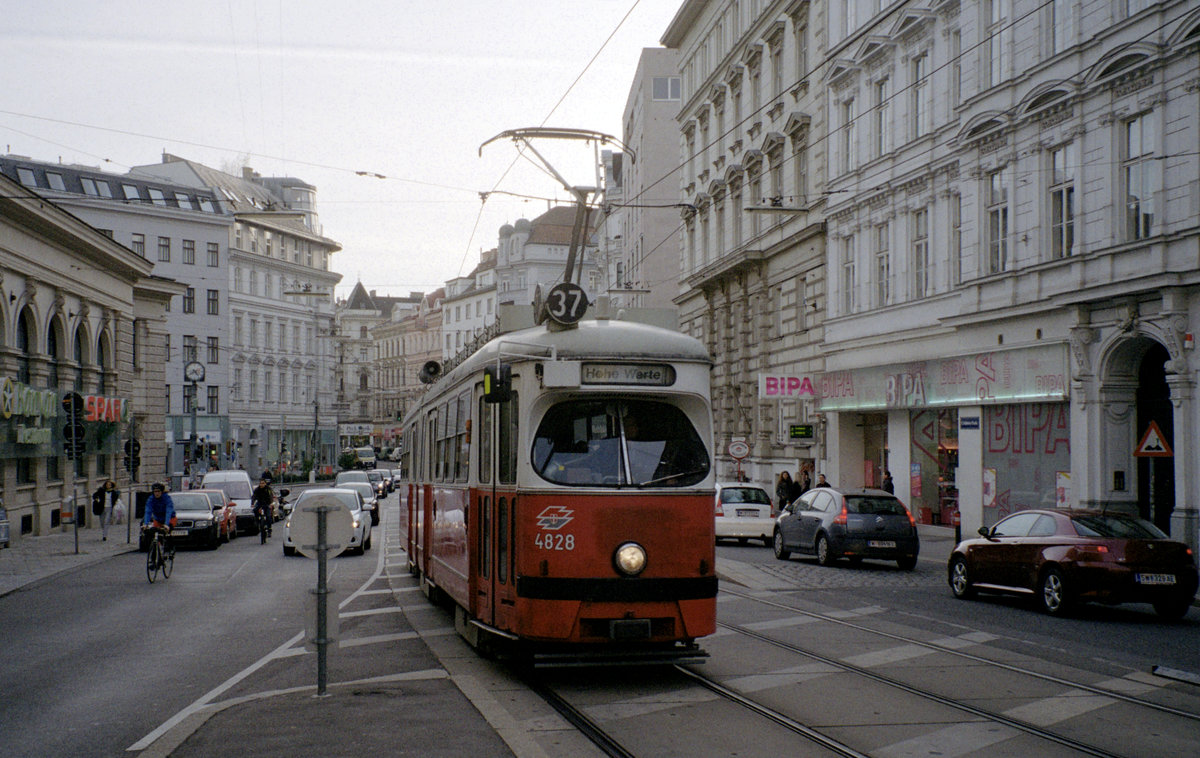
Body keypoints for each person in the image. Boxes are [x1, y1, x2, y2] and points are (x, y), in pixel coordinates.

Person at [141, 482, 177, 550]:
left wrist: (166, 524)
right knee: (154, 534)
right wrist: (145, 524)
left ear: (162, 492)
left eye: (158, 491)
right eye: (155, 491)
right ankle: (157, 549)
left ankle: (170, 549)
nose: (156, 493)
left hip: (170, 518)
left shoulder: (167, 498)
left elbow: (168, 511)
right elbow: (148, 511)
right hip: (158, 519)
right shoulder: (151, 499)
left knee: (167, 533)